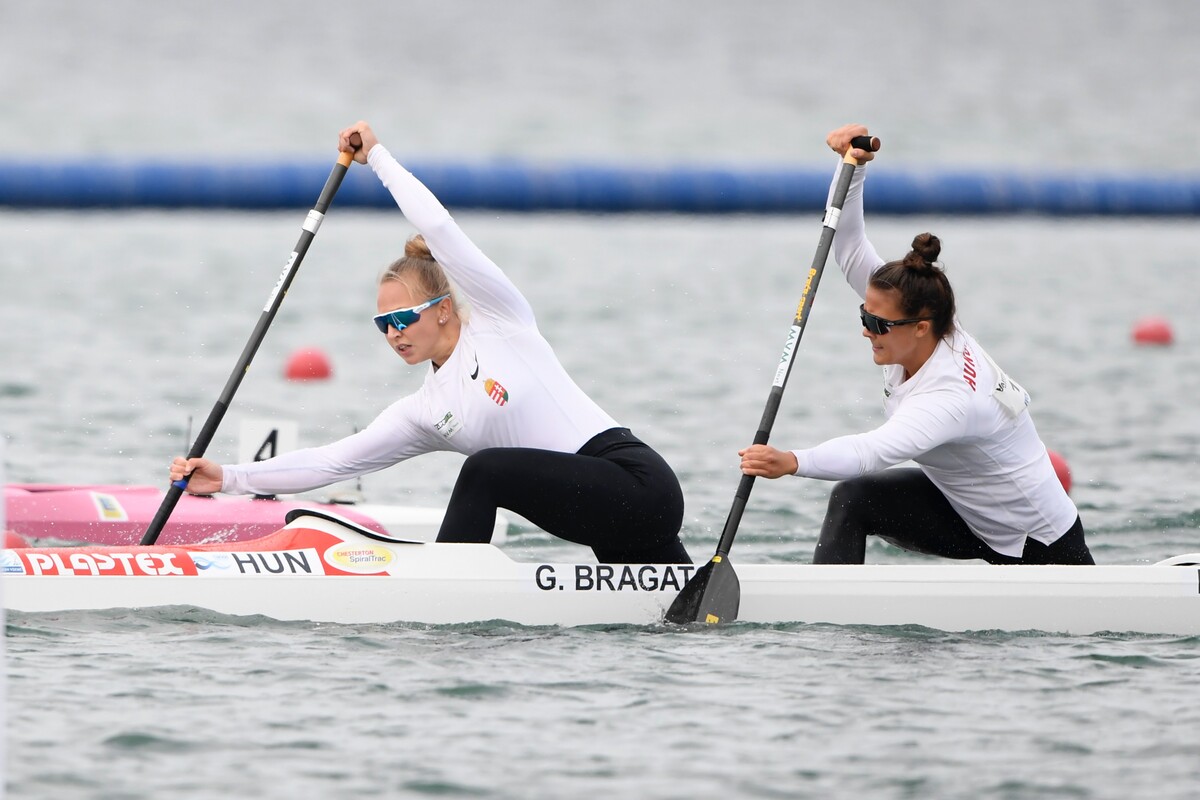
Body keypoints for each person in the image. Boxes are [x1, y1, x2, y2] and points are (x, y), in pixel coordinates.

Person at [170, 120, 689, 564]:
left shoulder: (499, 320)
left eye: (402, 317)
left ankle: (448, 596)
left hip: (638, 483)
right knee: (678, 621)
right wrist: (228, 477)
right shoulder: (424, 410)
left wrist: (377, 157)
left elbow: (438, 226)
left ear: (443, 310)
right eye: (382, 324)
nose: (393, 333)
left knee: (484, 471)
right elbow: (335, 462)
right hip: (599, 520)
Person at [738, 123, 1093, 566]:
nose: (867, 329)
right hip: (966, 510)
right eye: (864, 314)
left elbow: (872, 451)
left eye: (877, 323)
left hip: (1035, 543)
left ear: (921, 327)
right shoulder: (922, 324)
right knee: (853, 500)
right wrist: (852, 167)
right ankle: (836, 614)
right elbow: (847, 247)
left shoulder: (949, 398)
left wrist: (792, 461)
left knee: (857, 482)